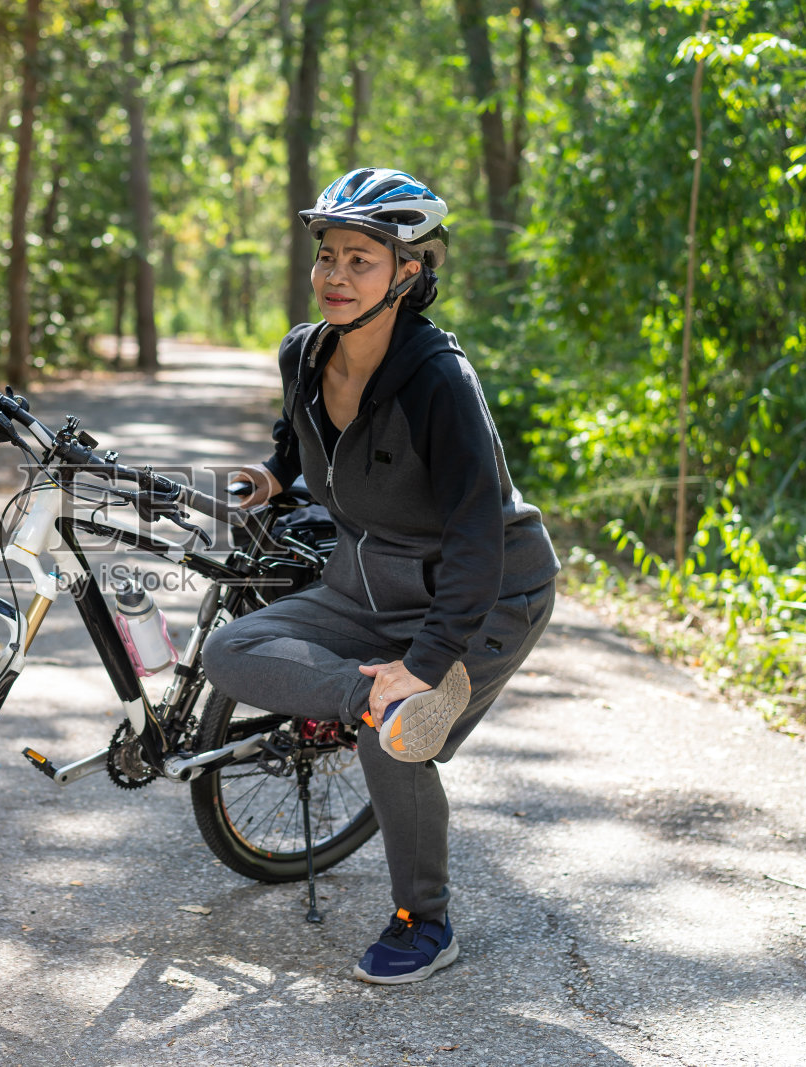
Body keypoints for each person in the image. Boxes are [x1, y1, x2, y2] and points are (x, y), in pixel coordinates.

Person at [200, 167, 559, 985]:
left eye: (360, 259)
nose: (334, 274)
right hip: (367, 586)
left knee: (397, 732)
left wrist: (426, 666)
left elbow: (479, 544)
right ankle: (370, 697)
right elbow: (299, 444)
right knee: (230, 650)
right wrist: (271, 475)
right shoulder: (305, 352)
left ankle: (424, 922)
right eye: (328, 254)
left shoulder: (441, 382)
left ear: (410, 273)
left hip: (491, 593)